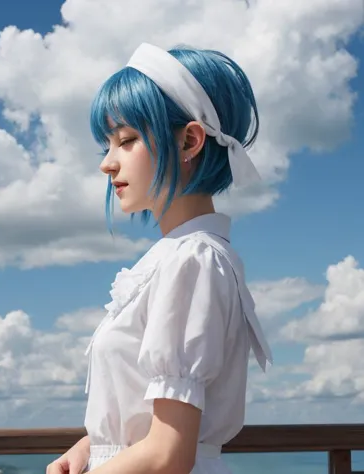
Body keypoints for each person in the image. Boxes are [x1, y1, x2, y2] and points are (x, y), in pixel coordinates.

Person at [47, 42, 272, 474]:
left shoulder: (193, 260)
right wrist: (91, 446)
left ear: (190, 140)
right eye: (107, 145)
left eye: (126, 140)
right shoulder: (182, 257)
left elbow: (168, 453)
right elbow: (154, 424)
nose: (107, 164)